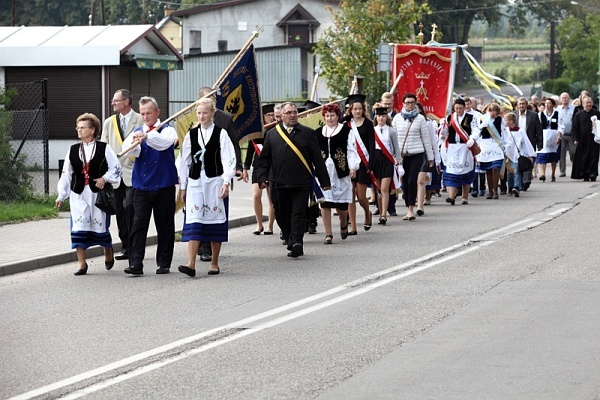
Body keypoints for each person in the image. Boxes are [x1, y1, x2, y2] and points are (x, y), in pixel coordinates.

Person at [254, 102, 331, 258]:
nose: (292, 115)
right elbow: (264, 161)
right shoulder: (272, 135)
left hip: (301, 182)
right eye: (288, 112)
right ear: (282, 115)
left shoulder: (307, 133)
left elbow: (317, 159)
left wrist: (324, 181)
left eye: (295, 112)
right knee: (282, 214)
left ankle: (297, 242)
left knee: (298, 213)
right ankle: (290, 237)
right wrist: (261, 178)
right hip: (279, 183)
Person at [55, 113, 122, 275]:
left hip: (97, 194)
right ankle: (81, 263)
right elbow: (66, 173)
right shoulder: (72, 150)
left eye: (82, 127)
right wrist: (61, 194)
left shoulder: (103, 148)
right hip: (78, 194)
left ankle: (107, 250)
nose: (79, 130)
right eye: (77, 127)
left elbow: (116, 168)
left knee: (99, 227)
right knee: (78, 226)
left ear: (92, 130)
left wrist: (104, 178)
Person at [178, 98, 236, 277]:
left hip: (214, 181)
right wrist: (183, 186)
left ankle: (214, 262)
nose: (201, 116)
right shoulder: (191, 134)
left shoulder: (221, 133)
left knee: (214, 220)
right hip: (196, 182)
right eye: (199, 113)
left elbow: (228, 158)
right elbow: (185, 161)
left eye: (205, 112)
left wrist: (226, 181)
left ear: (212, 113)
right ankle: (191, 264)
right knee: (194, 220)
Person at [121, 96, 178, 275]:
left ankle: (164, 263)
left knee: (165, 225)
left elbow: (163, 145)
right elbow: (132, 152)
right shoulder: (137, 131)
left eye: (149, 113)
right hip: (141, 186)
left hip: (164, 186)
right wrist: (135, 142)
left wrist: (147, 137)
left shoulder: (168, 130)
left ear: (157, 112)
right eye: (143, 113)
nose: (145, 116)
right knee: (138, 225)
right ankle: (136, 263)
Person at [197, 87, 241, 262]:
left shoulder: (225, 119)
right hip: (197, 176)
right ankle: (200, 244)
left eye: (212, 98)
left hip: (218, 173)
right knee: (198, 211)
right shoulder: (191, 119)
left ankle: (209, 246)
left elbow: (234, 144)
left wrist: (237, 166)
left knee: (214, 210)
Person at [101, 89, 143, 262]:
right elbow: (104, 146)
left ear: (126, 101)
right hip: (116, 174)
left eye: (116, 100)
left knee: (130, 208)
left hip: (134, 172)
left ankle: (134, 246)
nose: (113, 103)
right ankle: (125, 246)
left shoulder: (140, 119)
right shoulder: (110, 122)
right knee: (119, 211)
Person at [315, 103, 359, 243]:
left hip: (340, 171)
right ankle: (328, 233)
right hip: (323, 172)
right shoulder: (318, 132)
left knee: (341, 205)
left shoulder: (346, 131)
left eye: (332, 115)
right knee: (325, 202)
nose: (329, 119)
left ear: (338, 116)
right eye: (327, 116)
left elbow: (351, 150)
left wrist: (352, 167)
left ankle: (343, 222)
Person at [392, 93, 434, 219]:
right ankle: (407, 207)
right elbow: (393, 138)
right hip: (402, 155)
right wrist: (394, 154)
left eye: (412, 102)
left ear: (415, 104)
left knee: (412, 181)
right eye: (407, 102)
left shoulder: (420, 119)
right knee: (404, 182)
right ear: (403, 104)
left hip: (417, 154)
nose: (410, 105)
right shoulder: (397, 118)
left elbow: (426, 139)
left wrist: (430, 157)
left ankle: (411, 209)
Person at [243, 104, 276, 235]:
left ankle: (270, 226)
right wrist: (245, 168)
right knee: (256, 195)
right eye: (268, 115)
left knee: (271, 197)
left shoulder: (275, 131)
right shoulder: (257, 132)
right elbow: (250, 151)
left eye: (272, 115)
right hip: (258, 167)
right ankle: (259, 224)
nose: (271, 117)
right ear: (263, 117)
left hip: (271, 167)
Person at [439, 98, 479, 205]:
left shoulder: (471, 118)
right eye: (456, 108)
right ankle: (451, 197)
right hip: (452, 148)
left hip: (465, 147)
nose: (458, 110)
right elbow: (445, 133)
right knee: (452, 171)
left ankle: (464, 197)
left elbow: (476, 130)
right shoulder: (449, 118)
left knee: (466, 171)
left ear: (464, 108)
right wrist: (442, 126)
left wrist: (472, 139)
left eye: (460, 108)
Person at [345, 94, 375, 234]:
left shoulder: (368, 124)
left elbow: (371, 145)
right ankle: (353, 227)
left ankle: (367, 213)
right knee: (350, 195)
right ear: (350, 110)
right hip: (349, 162)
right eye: (354, 109)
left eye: (359, 109)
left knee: (361, 196)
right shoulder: (346, 124)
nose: (357, 111)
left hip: (363, 163)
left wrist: (371, 164)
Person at [371, 105, 399, 225]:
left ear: (386, 117)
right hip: (376, 160)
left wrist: (399, 159)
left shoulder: (391, 130)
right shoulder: (372, 130)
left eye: (383, 116)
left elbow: (396, 147)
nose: (381, 118)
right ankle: (380, 209)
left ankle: (384, 215)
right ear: (376, 117)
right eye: (379, 116)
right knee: (378, 189)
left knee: (384, 188)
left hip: (387, 160)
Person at [475, 103, 505, 199]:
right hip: (485, 145)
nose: (495, 116)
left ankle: (496, 190)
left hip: (496, 145)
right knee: (488, 169)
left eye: (496, 114)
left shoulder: (500, 120)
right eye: (493, 114)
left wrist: (505, 145)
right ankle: (490, 191)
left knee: (495, 168)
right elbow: (477, 131)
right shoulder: (482, 118)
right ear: (489, 111)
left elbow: (504, 132)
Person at [416, 102, 441, 212]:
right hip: (413, 152)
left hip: (425, 153)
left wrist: (436, 156)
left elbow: (432, 141)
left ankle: (426, 198)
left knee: (425, 178)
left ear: (421, 110)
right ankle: (416, 198)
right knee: (415, 178)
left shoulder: (428, 123)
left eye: (417, 108)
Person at [504, 112, 536, 197]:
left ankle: (516, 188)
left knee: (517, 171)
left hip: (518, 154)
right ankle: (510, 188)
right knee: (509, 172)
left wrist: (530, 154)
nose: (504, 122)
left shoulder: (520, 130)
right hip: (509, 154)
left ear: (511, 121)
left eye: (506, 120)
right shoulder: (505, 130)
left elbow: (526, 142)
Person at [571, 96, 600, 181]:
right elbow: (575, 128)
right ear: (583, 104)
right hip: (582, 140)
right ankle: (585, 174)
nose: (589, 104)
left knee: (594, 157)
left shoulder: (597, 114)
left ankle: (593, 173)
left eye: (590, 103)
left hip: (595, 139)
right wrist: (575, 139)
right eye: (587, 103)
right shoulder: (578, 115)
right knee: (584, 157)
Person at [537, 97, 561, 182]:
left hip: (554, 136)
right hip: (543, 136)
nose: (547, 105)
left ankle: (553, 173)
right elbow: (538, 126)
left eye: (549, 103)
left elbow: (561, 126)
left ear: (553, 105)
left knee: (553, 156)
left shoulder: (558, 114)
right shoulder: (540, 114)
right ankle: (543, 174)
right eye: (546, 103)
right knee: (542, 155)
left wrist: (559, 136)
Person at [557, 92, 576, 178]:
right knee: (562, 153)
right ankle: (562, 171)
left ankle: (575, 168)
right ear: (561, 99)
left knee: (573, 152)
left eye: (566, 98)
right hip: (562, 135)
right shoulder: (557, 109)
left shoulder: (574, 108)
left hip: (572, 134)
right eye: (563, 98)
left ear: (569, 99)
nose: (564, 99)